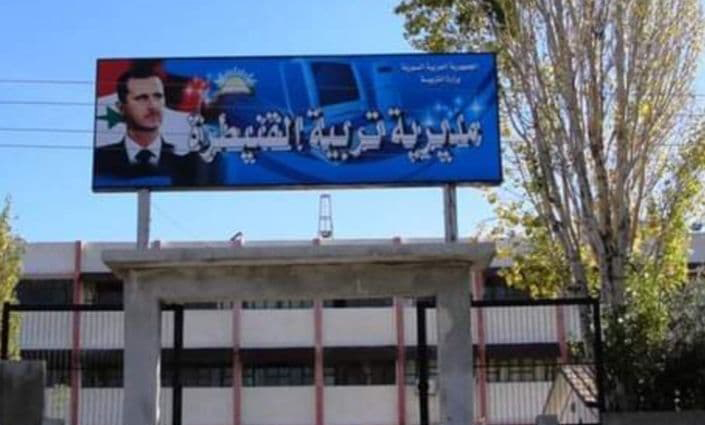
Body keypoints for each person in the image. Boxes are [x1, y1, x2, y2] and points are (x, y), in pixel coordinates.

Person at [94, 66, 204, 187]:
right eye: (142, 98)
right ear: (121, 108)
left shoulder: (188, 162)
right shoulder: (100, 159)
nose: (153, 106)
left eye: (158, 96)